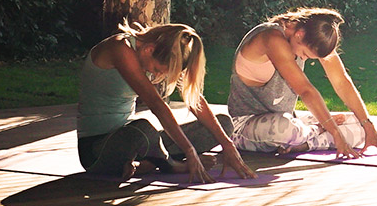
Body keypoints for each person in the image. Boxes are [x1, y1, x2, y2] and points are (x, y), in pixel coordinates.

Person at [77, 20, 255, 183]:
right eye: (156, 69)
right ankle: (174, 165)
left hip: (139, 145)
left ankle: (148, 163)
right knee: (143, 130)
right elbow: (156, 105)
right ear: (149, 49)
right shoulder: (120, 48)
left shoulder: (160, 52)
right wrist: (189, 151)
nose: (156, 75)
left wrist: (227, 144)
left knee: (223, 124)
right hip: (98, 150)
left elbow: (194, 100)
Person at [227, 7, 377, 159]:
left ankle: (304, 144)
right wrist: (332, 130)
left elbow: (341, 81)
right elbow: (306, 91)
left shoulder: (310, 34)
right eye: (305, 53)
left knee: (359, 126)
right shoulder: (271, 38)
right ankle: (317, 132)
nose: (303, 58)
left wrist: (369, 126)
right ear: (299, 35)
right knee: (285, 129)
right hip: (246, 126)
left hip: (291, 121)